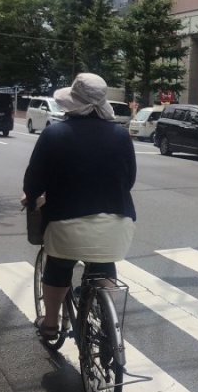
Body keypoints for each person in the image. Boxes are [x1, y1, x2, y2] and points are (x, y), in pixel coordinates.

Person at [22, 73, 136, 341]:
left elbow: (33, 184)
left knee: (59, 267)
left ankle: (50, 324)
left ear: (71, 103)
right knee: (103, 263)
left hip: (66, 225)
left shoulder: (54, 134)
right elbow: (128, 180)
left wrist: (31, 196)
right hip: (117, 225)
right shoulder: (121, 135)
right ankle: (106, 323)